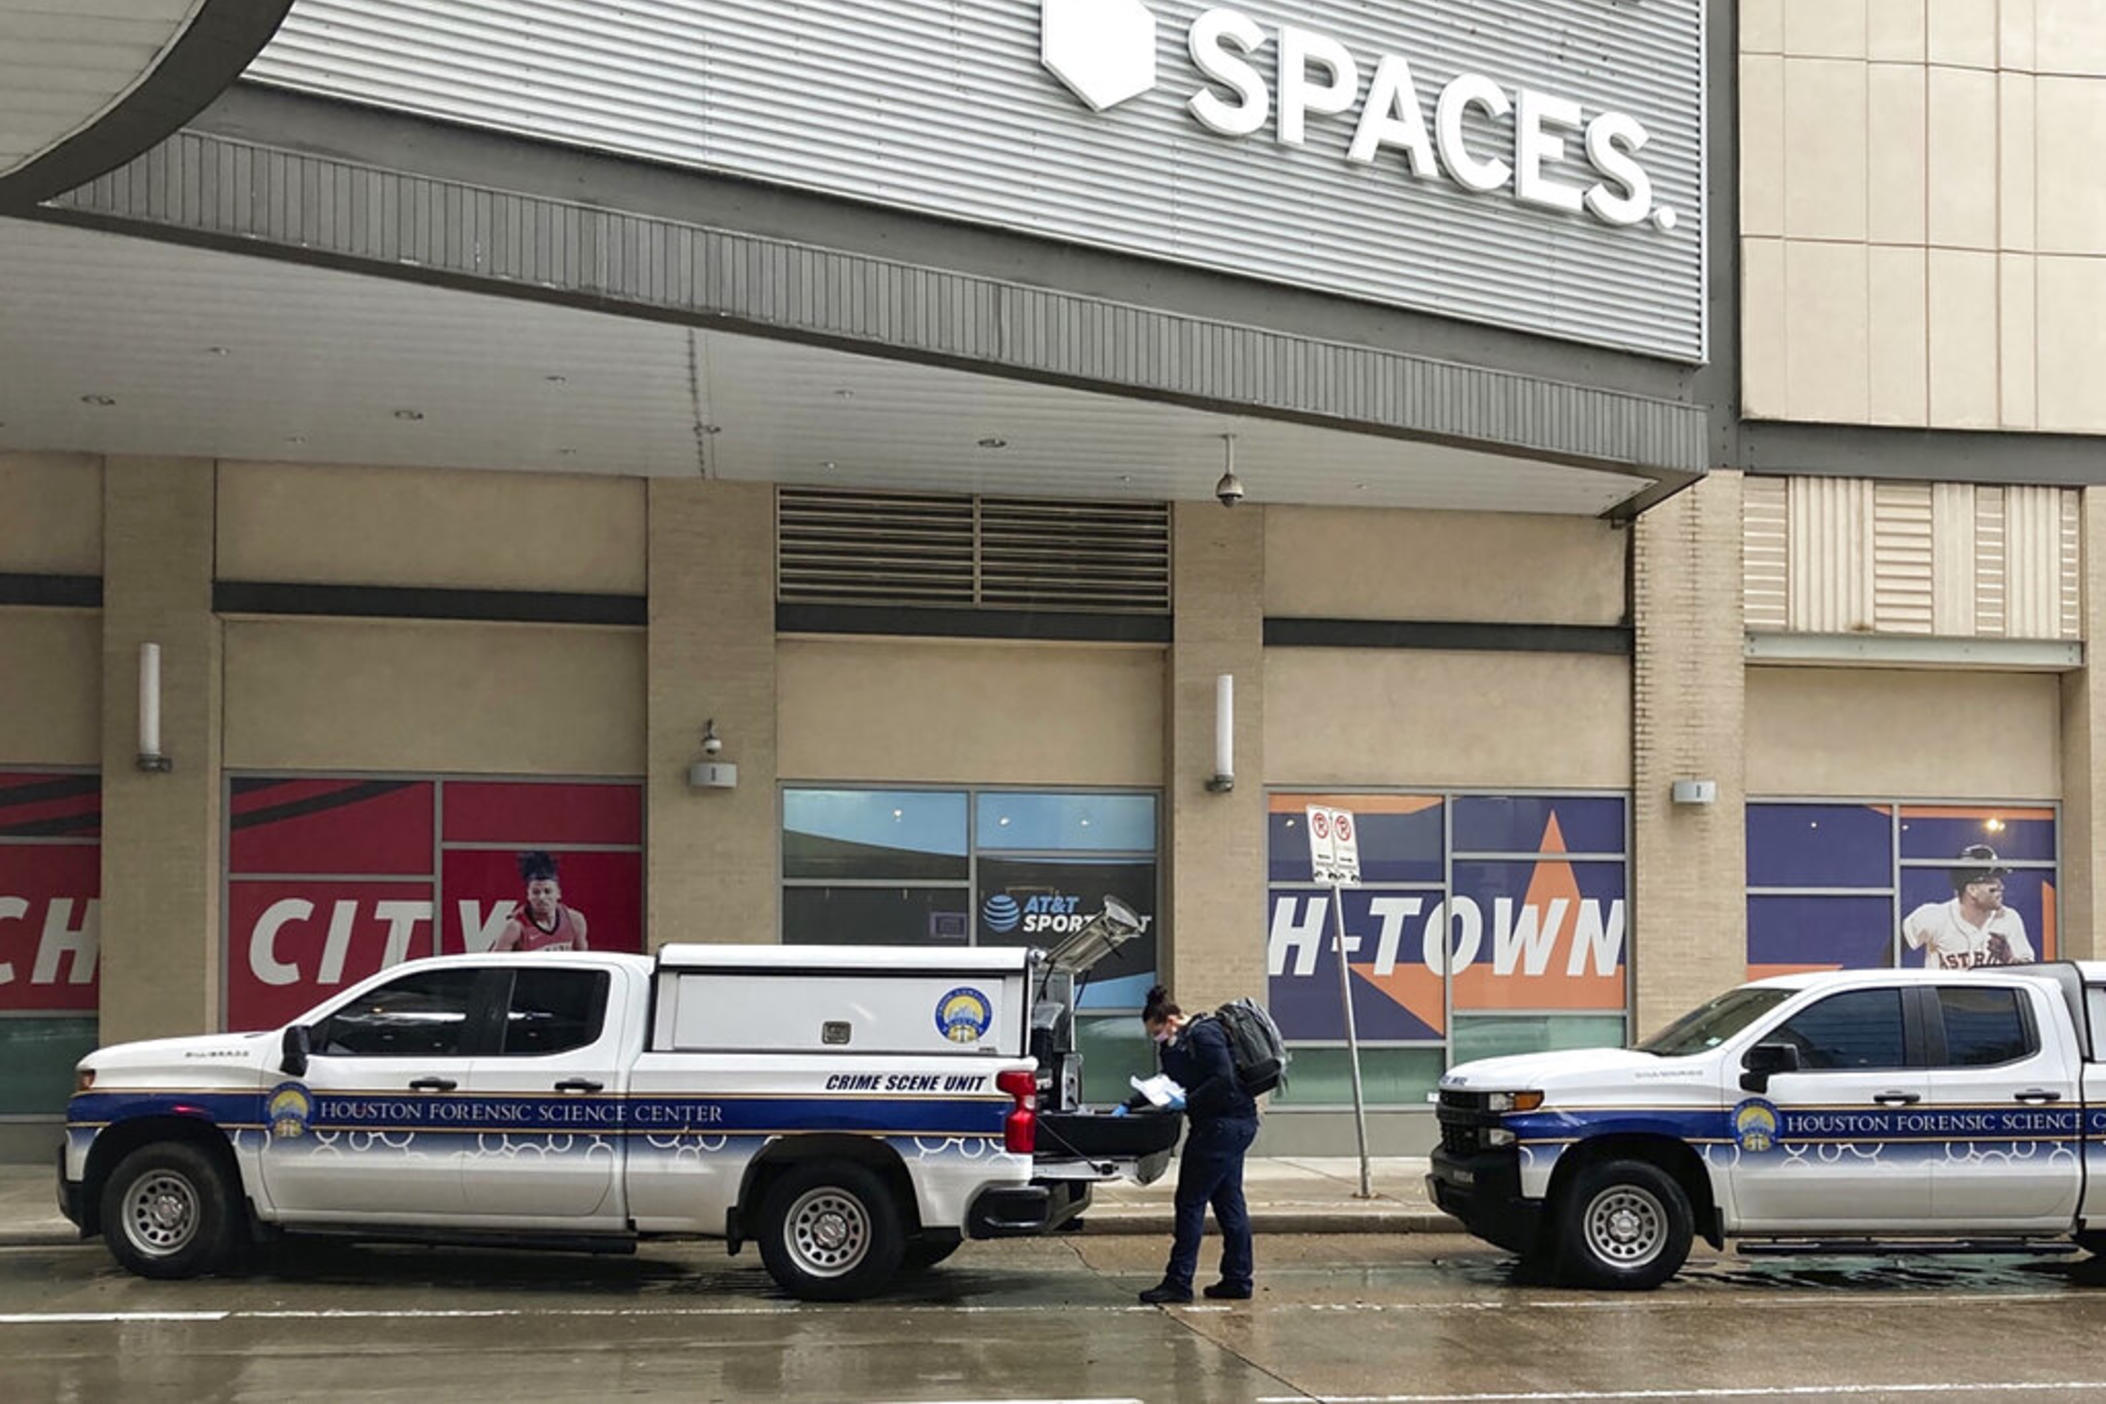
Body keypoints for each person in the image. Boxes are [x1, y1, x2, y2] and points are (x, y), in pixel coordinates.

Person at [1129, 983, 1259, 1305]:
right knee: (1229, 1202)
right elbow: (1172, 1082)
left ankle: (1179, 1281)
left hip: (1220, 1127)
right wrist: (1132, 1103)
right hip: (1230, 1126)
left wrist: (1186, 1103)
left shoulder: (1205, 1035)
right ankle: (1237, 1279)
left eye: (1158, 1032)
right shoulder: (1181, 1044)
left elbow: (1223, 1079)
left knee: (1190, 1202)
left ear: (1172, 1020)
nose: (1157, 1039)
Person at [1903, 844, 2033, 969]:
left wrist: (2009, 958)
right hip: (1944, 992)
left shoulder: (2009, 919)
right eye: (1992, 881)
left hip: (1990, 992)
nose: (2001, 886)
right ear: (1972, 890)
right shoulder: (1934, 917)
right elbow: (1894, 949)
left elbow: (2028, 971)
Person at [492, 850, 591, 952]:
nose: (541, 897)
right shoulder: (515, 927)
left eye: (547, 891)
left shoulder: (574, 920)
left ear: (558, 894)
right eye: (536, 892)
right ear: (528, 895)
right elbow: (494, 964)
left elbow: (582, 960)